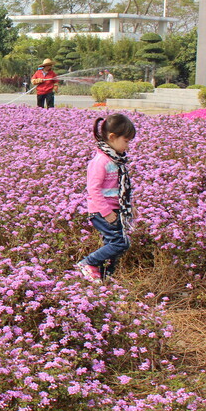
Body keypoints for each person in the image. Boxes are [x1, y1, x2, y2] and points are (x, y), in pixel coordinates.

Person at [76, 113, 137, 283]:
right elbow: (93, 190)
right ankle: (88, 263)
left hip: (114, 209)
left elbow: (119, 189)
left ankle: (106, 274)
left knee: (113, 243)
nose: (128, 145)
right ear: (112, 137)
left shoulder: (115, 160)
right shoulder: (101, 161)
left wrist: (128, 206)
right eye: (126, 141)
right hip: (101, 211)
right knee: (120, 243)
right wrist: (106, 212)